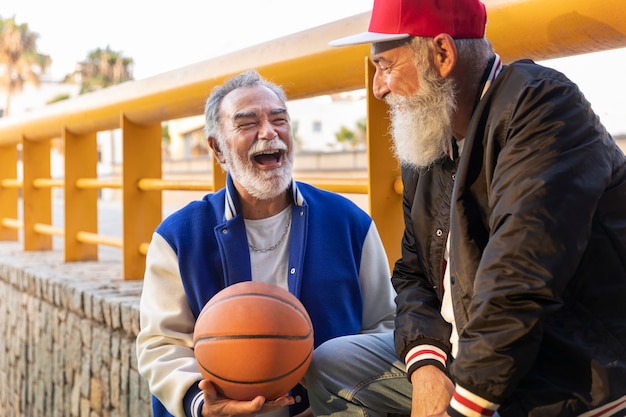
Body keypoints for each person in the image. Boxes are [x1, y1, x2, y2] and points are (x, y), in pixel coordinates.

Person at [305, 0, 626, 416]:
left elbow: (518, 280)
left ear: (442, 54)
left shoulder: (542, 107)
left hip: (558, 374)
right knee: (331, 364)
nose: (378, 88)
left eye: (385, 66)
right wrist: (426, 365)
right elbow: (413, 272)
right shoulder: (430, 133)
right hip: (462, 358)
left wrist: (464, 406)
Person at [136, 69, 396, 417]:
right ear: (218, 149)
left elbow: (386, 325)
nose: (269, 132)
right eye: (247, 124)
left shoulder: (349, 222)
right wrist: (203, 404)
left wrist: (335, 399)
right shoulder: (178, 237)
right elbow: (161, 343)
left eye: (279, 119)